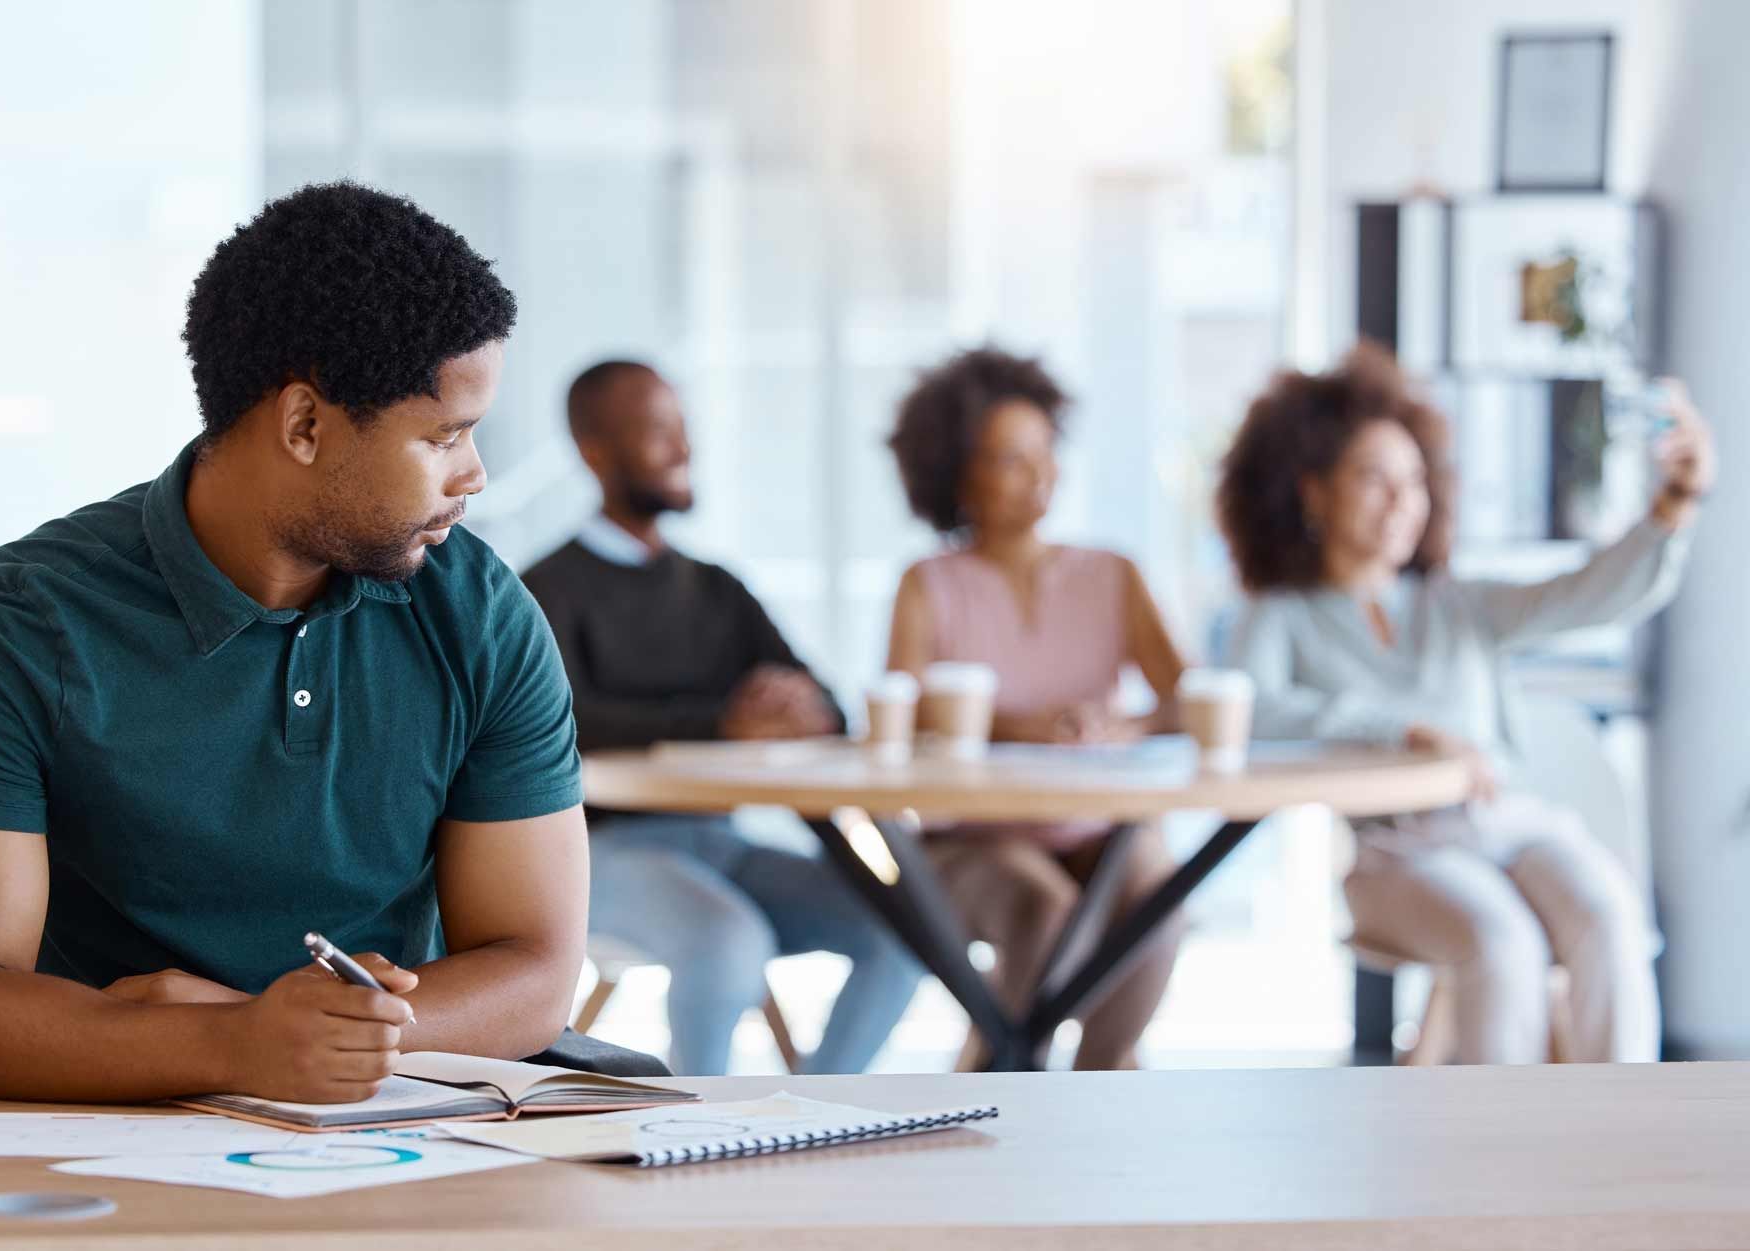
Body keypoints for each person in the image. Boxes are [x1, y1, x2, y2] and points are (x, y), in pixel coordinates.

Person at [0, 182, 591, 1104]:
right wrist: (237, 1043)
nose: (475, 474)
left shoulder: (480, 614)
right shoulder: (12, 627)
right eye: (442, 435)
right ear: (304, 424)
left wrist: (298, 1039)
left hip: (398, 1142)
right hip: (103, 1143)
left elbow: (534, 971)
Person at [1217, 343, 1715, 1064]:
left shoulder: (1456, 604)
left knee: (1608, 915)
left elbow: (1588, 594)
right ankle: (1493, 1163)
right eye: (1373, 479)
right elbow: (1255, 714)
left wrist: (1675, 503)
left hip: (1508, 821)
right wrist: (1403, 728)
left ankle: (1623, 1142)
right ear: (1313, 491)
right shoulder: (1281, 612)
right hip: (1396, 851)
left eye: (1414, 481)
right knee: (1501, 942)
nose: (1401, 501)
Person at [522, 360, 921, 1076]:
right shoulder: (545, 588)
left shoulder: (716, 587)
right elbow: (561, 723)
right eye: (657, 431)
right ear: (594, 450)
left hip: (723, 843)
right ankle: (695, 1135)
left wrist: (798, 708)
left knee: (903, 928)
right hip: (603, 857)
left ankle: (812, 1113)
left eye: (684, 428)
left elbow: (823, 703)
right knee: (729, 940)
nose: (684, 448)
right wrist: (722, 723)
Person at [884, 347, 1189, 1070]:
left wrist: (1123, 725)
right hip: (973, 835)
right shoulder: (928, 584)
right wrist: (1014, 725)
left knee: (1160, 897)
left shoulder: (1112, 574)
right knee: (1043, 911)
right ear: (958, 473)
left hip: (1095, 825)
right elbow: (904, 712)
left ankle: (1099, 1078)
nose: (1041, 475)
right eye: (1011, 459)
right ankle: (1003, 1071)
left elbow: (1187, 700)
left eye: (1046, 452)